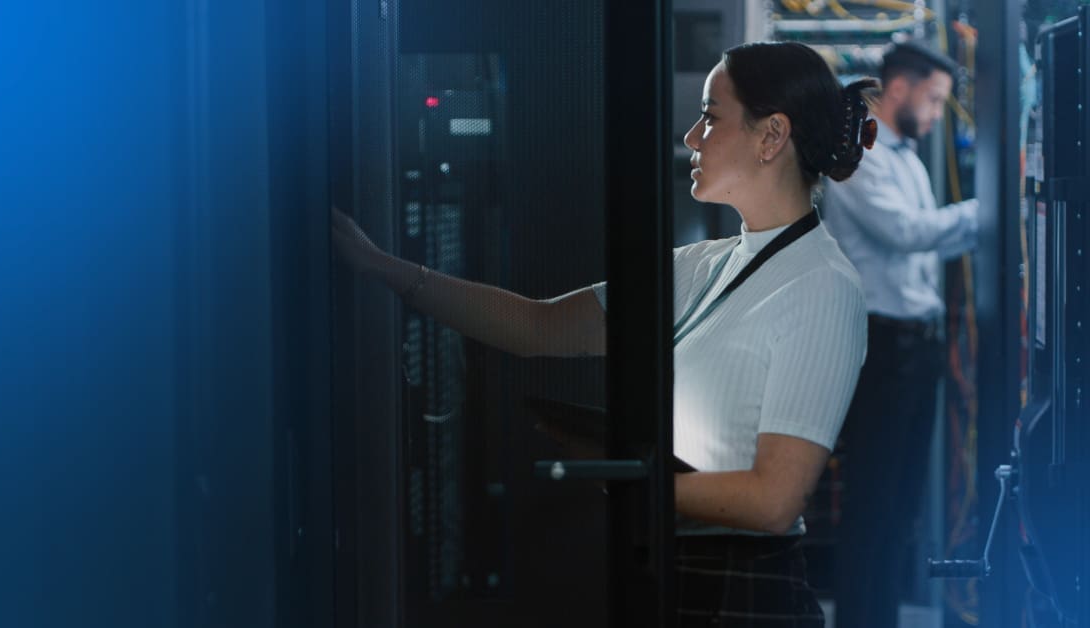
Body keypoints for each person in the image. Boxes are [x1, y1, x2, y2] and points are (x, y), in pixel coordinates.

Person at [334, 41, 877, 626]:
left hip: (741, 592)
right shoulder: (704, 264)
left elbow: (774, 502)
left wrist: (621, 472)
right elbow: (537, 326)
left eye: (710, 116)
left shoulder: (823, 284)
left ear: (771, 136)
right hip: (675, 571)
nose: (692, 137)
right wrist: (385, 270)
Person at [822, 40, 979, 628]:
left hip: (917, 347)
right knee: (873, 504)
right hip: (881, 349)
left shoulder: (908, 157)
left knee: (902, 504)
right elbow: (906, 232)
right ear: (899, 89)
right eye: (934, 99)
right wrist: (986, 213)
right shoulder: (859, 157)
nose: (938, 113)